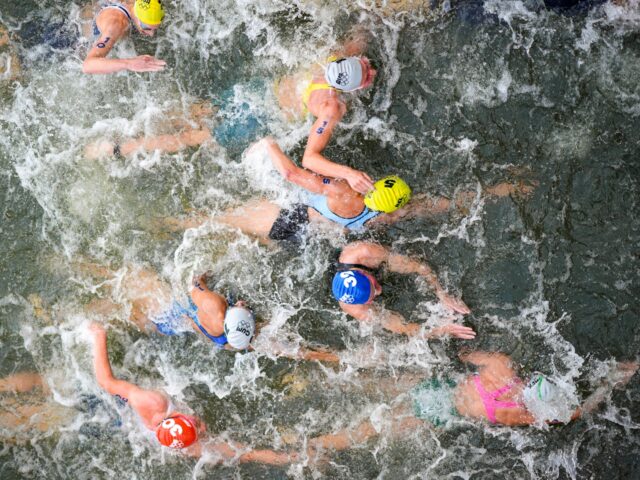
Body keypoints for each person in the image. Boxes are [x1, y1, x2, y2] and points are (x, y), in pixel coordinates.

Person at [159, 137, 533, 244]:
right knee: (241, 235)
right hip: (308, 233)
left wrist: (270, 145)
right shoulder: (394, 213)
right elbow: (453, 203)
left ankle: (167, 223)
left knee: (217, 221)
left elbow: (291, 174)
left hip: (286, 216)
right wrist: (503, 188)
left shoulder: (340, 190)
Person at [304, 351, 638, 456]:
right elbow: (569, 417)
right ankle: (314, 446)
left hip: (436, 385)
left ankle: (310, 378)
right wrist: (610, 383)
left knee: (371, 383)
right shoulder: (512, 414)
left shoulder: (502, 367)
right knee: (368, 432)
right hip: (437, 414)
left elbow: (465, 354)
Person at [83, 322, 295, 461]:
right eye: (199, 429)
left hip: (128, 415)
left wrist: (98, 335)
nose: (203, 428)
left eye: (197, 427)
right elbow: (106, 383)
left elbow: (106, 381)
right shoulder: (158, 409)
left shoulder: (156, 407)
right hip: (120, 412)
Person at [81, 262, 338, 362]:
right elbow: (298, 353)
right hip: (170, 326)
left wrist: (205, 274)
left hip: (169, 309)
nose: (243, 304)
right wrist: (337, 357)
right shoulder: (244, 343)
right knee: (123, 313)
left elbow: (193, 283)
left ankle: (85, 274)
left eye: (242, 308)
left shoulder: (214, 307)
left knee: (127, 279)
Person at [331, 241, 475, 339]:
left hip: (378, 255)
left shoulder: (365, 253)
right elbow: (404, 328)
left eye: (374, 286)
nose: (379, 292)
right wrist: (442, 330)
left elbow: (419, 266)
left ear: (364, 273)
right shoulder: (355, 308)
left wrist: (441, 293)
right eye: (372, 297)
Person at [83, 0, 166, 75]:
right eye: (147, 28)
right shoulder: (116, 26)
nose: (151, 34)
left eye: (154, 29)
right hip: (84, 33)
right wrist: (129, 63)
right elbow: (87, 65)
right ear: (137, 16)